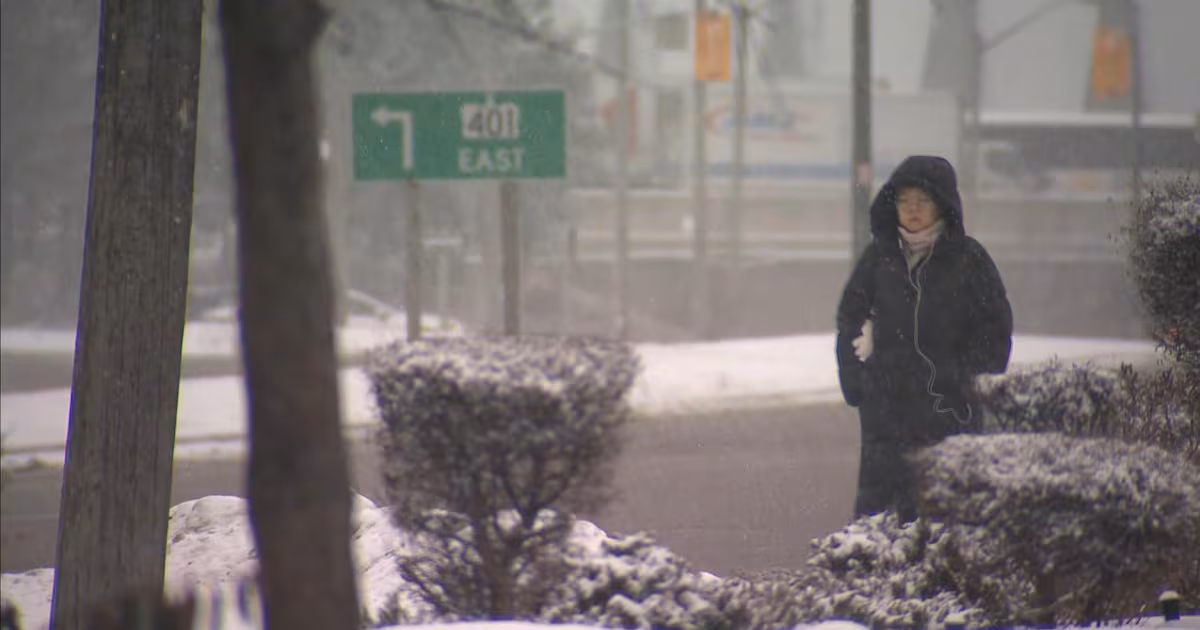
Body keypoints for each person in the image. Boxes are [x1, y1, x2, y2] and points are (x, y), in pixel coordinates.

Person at [835, 155, 1013, 523]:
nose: (912, 210)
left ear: (943, 204)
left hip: (948, 412)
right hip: (886, 412)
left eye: (923, 201)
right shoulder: (879, 259)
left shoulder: (969, 259)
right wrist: (857, 380)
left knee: (944, 515)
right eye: (904, 201)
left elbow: (994, 328)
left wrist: (968, 381)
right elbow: (850, 317)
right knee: (880, 516)